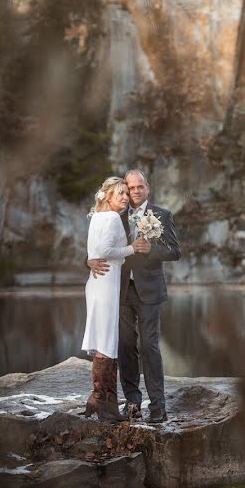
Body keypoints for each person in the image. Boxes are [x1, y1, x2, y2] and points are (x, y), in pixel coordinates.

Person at [87, 170, 180, 423]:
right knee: (126, 348)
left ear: (147, 188)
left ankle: (158, 406)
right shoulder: (116, 213)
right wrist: (89, 261)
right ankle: (132, 403)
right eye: (130, 188)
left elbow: (174, 252)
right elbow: (100, 245)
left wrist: (151, 249)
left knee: (149, 347)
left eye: (140, 187)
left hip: (149, 292)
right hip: (120, 291)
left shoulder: (162, 215)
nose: (135, 192)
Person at [80, 177, 138, 422]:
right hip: (105, 286)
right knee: (107, 342)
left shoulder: (96, 216)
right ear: (107, 196)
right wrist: (132, 249)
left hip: (98, 283)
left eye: (127, 193)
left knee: (103, 342)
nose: (125, 197)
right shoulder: (113, 218)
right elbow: (105, 251)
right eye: (120, 193)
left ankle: (98, 399)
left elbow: (96, 251)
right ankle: (106, 403)